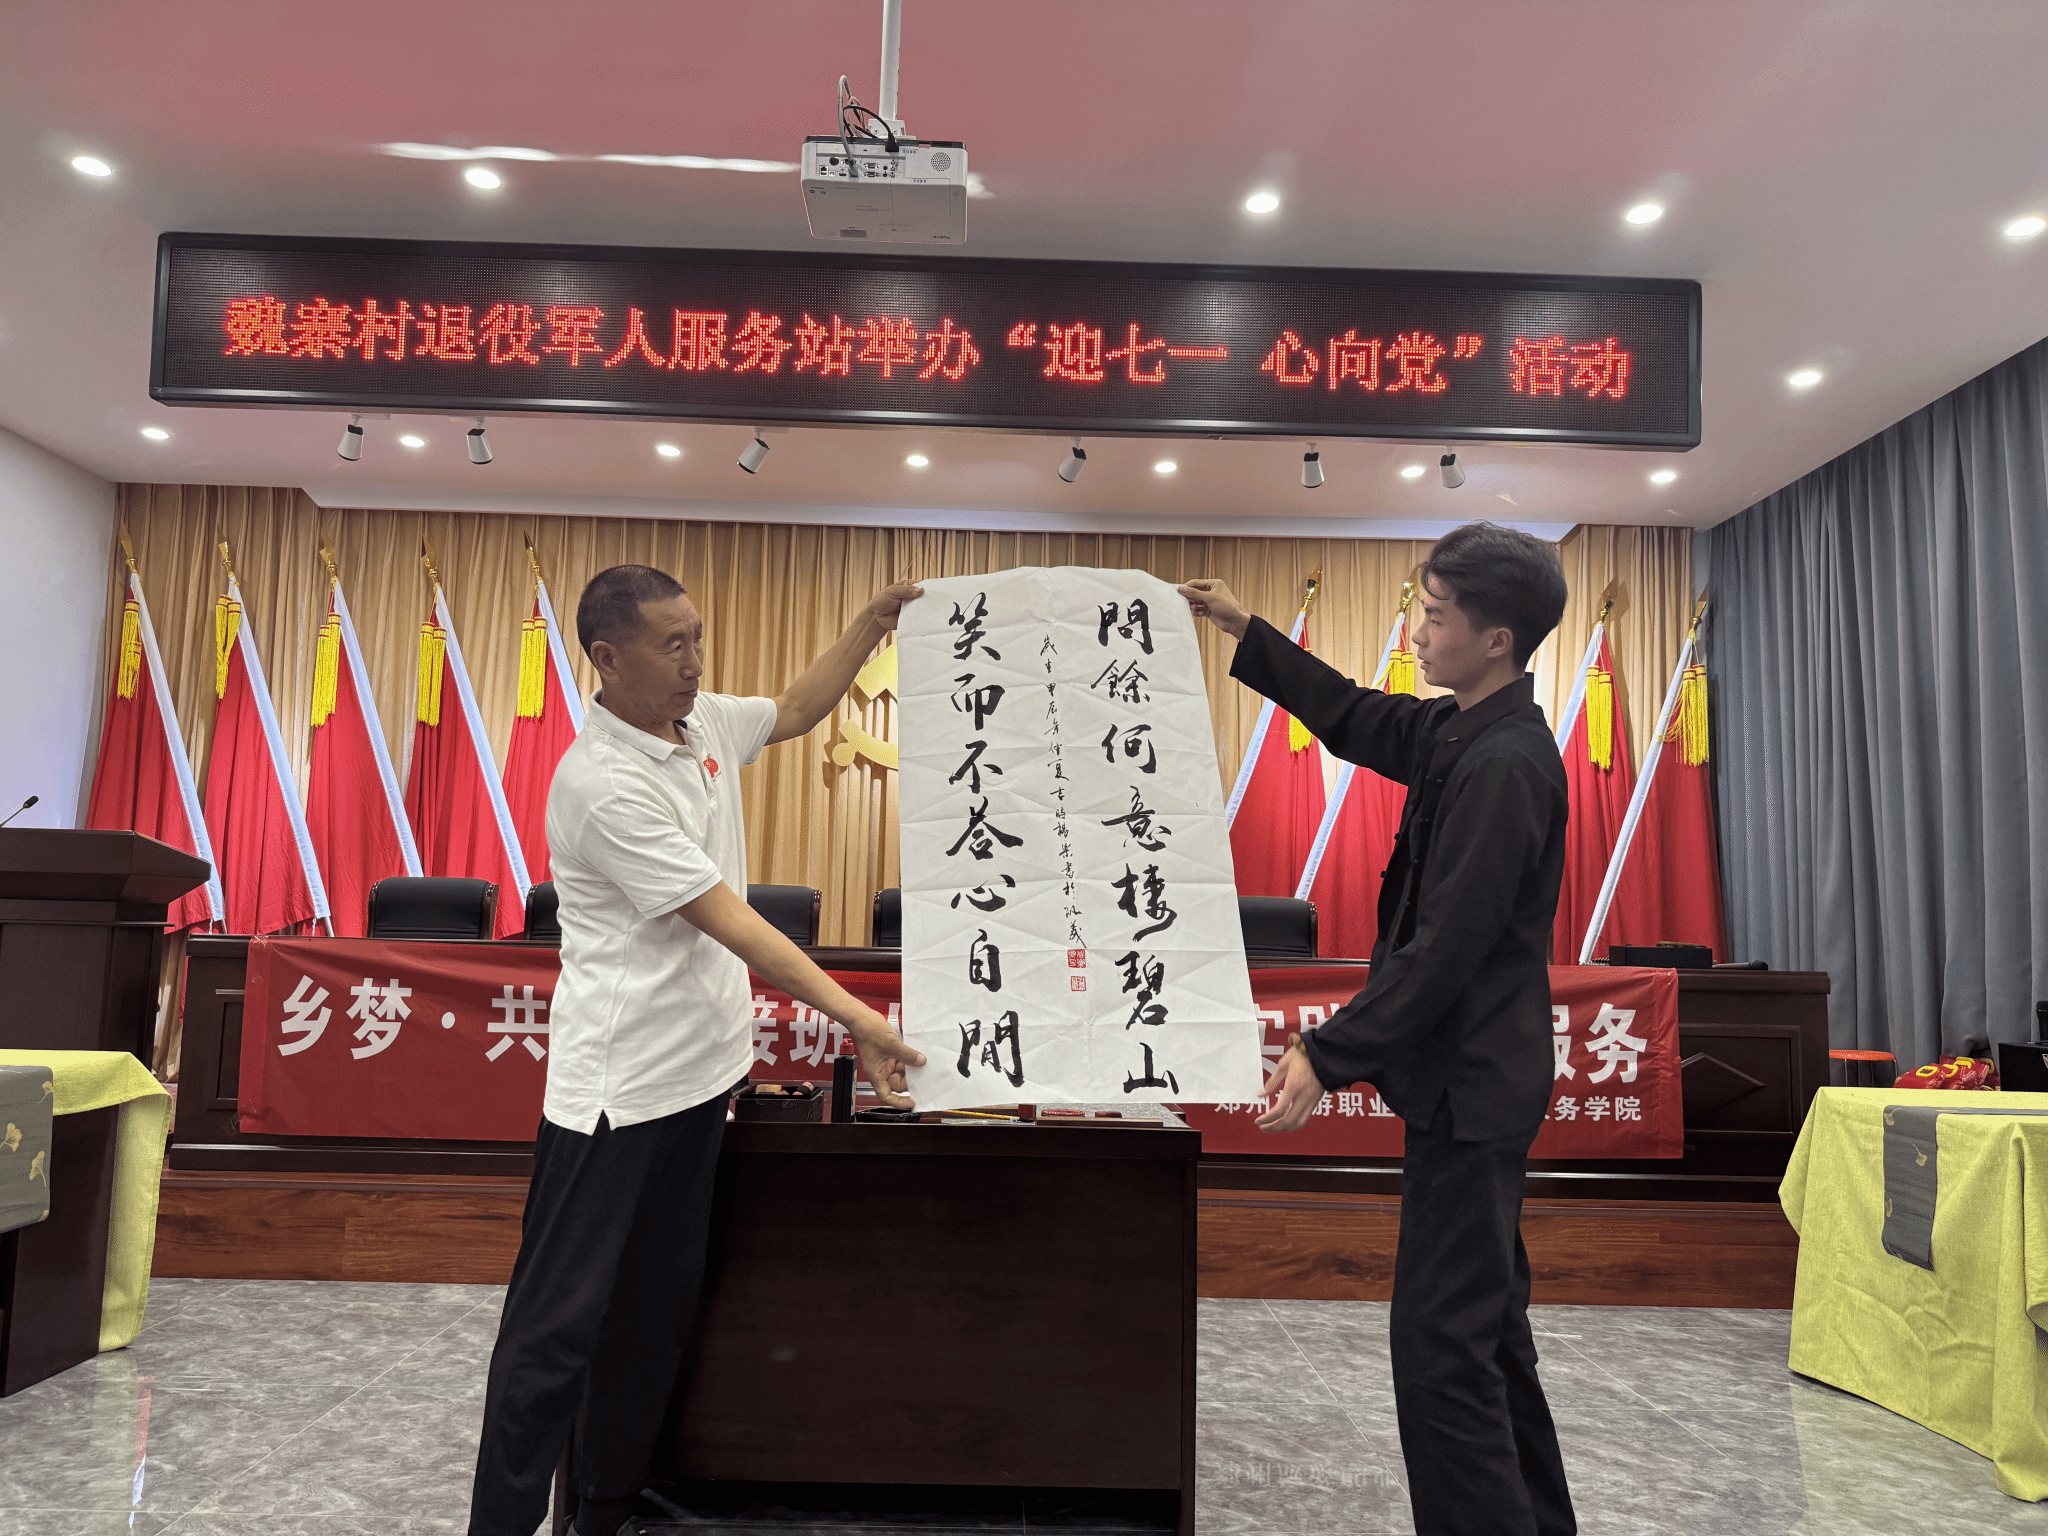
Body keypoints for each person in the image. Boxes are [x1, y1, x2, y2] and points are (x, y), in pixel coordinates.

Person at [468, 564, 927, 1536]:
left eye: (698, 638)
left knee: (651, 1315)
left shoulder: (700, 723)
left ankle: (606, 1511)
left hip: (698, 1082)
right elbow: (731, 921)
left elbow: (794, 709)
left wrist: (869, 624)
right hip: (617, 1095)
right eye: (671, 645)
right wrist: (858, 1016)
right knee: (555, 1331)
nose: (694, 662)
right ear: (607, 658)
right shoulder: (601, 783)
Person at [1180, 523, 1575, 1536]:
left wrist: (1328, 1052)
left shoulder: (1505, 765)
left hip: (1472, 1089)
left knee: (1441, 1353)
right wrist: (1244, 630)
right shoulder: (1461, 730)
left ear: (1495, 639)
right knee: (1487, 1334)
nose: (1416, 632)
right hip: (1468, 1084)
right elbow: (1355, 717)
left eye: (1434, 617)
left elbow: (1445, 951)